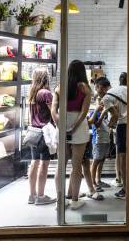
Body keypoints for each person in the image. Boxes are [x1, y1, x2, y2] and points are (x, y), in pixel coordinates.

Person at [52, 60, 91, 210]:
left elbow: (53, 110)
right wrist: (74, 126)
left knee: (61, 166)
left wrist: (60, 125)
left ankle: (60, 201)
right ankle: (75, 200)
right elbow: (84, 111)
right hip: (79, 128)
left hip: (61, 126)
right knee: (76, 166)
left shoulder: (59, 87)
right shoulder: (85, 88)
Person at [26, 68, 56, 205]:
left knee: (34, 162)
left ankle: (32, 195)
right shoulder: (46, 93)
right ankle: (41, 196)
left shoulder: (32, 92)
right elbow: (54, 113)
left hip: (33, 133)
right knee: (44, 164)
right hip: (44, 133)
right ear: (45, 78)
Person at [91, 77, 114, 190]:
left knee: (102, 159)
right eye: (102, 87)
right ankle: (93, 184)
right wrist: (103, 111)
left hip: (105, 135)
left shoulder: (106, 99)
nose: (104, 90)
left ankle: (98, 180)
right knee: (96, 160)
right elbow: (95, 124)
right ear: (97, 87)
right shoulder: (95, 102)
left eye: (106, 87)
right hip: (98, 137)